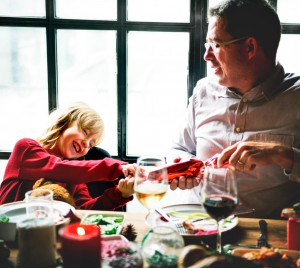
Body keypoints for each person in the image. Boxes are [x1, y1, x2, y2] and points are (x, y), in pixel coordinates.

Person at [168, 0, 300, 219]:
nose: (207, 56)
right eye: (207, 45)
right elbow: (180, 147)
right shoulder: (203, 91)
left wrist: (282, 154)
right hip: (198, 224)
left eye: (216, 45)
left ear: (250, 47)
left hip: (265, 236)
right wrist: (179, 162)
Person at [0, 102, 136, 211]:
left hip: (44, 237)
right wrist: (117, 166)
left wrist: (119, 194)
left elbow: (83, 211)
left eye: (90, 144)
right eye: (84, 132)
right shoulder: (26, 148)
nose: (85, 143)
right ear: (64, 122)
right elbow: (58, 168)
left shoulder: (75, 178)